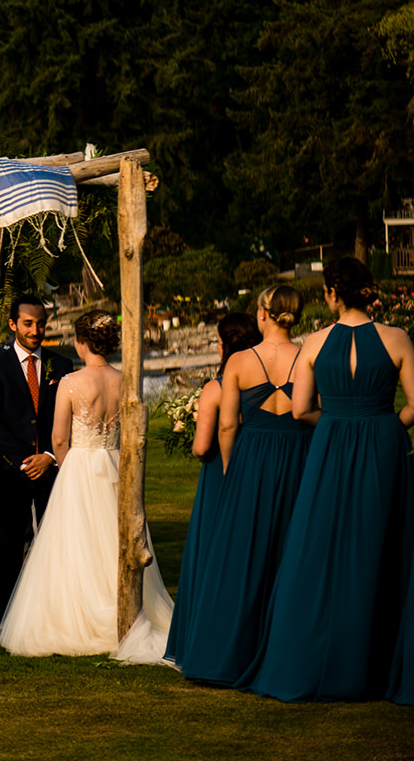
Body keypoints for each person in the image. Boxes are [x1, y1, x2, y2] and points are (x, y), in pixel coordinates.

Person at [241, 257, 414, 701]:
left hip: (331, 442)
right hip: (383, 442)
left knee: (320, 546)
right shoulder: (397, 338)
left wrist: (337, 420)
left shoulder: (314, 344)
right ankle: (379, 661)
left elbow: (300, 409)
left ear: (331, 294)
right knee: (382, 543)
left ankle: (317, 659)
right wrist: (389, 423)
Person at [0, 308, 175, 660]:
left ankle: (78, 619)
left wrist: (67, 468)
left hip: (79, 466)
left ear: (80, 342)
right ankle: (125, 611)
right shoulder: (126, 380)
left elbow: (59, 439)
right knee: (113, 540)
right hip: (114, 464)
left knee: (75, 545)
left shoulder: (71, 383)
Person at [165, 307, 277, 681]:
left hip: (221, 476)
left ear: (223, 343)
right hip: (262, 473)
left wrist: (194, 430)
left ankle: (203, 638)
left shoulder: (217, 387)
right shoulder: (266, 377)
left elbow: (200, 448)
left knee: (212, 558)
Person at [0, 293, 73, 617]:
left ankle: (52, 609)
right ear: (12, 324)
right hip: (11, 471)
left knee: (55, 540)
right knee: (7, 543)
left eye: (41, 324)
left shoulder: (61, 366)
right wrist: (25, 459)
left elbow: (71, 417)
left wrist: (48, 455)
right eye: (28, 323)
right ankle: (6, 613)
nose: (35, 330)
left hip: (52, 468)